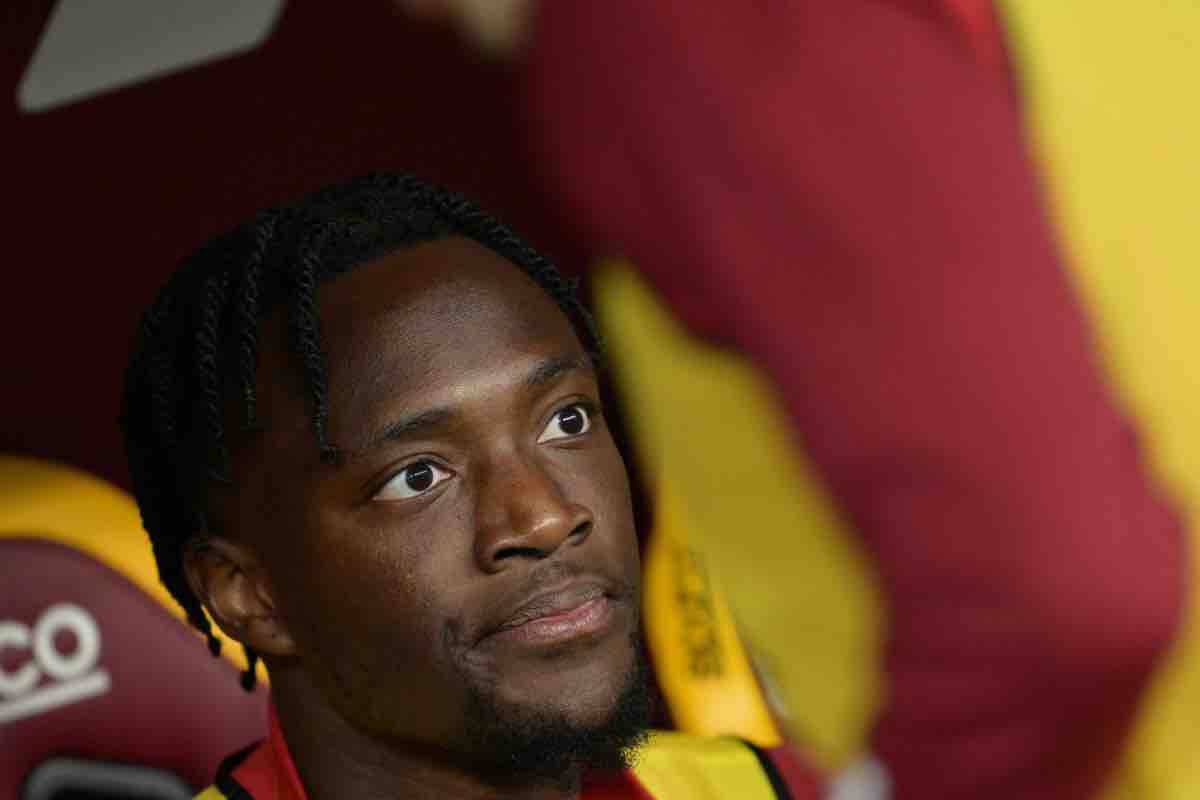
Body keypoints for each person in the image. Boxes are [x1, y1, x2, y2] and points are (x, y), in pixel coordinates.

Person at [119, 173, 821, 799]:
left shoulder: (767, 787)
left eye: (566, 420)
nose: (546, 518)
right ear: (249, 594)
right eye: (418, 476)